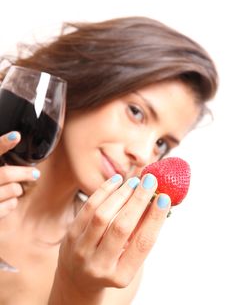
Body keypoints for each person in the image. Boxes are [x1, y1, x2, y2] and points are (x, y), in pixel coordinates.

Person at [0, 16, 218, 304]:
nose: (143, 154)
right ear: (92, 80)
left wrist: (79, 289)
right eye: (136, 112)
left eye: (161, 144)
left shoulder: (110, 268)